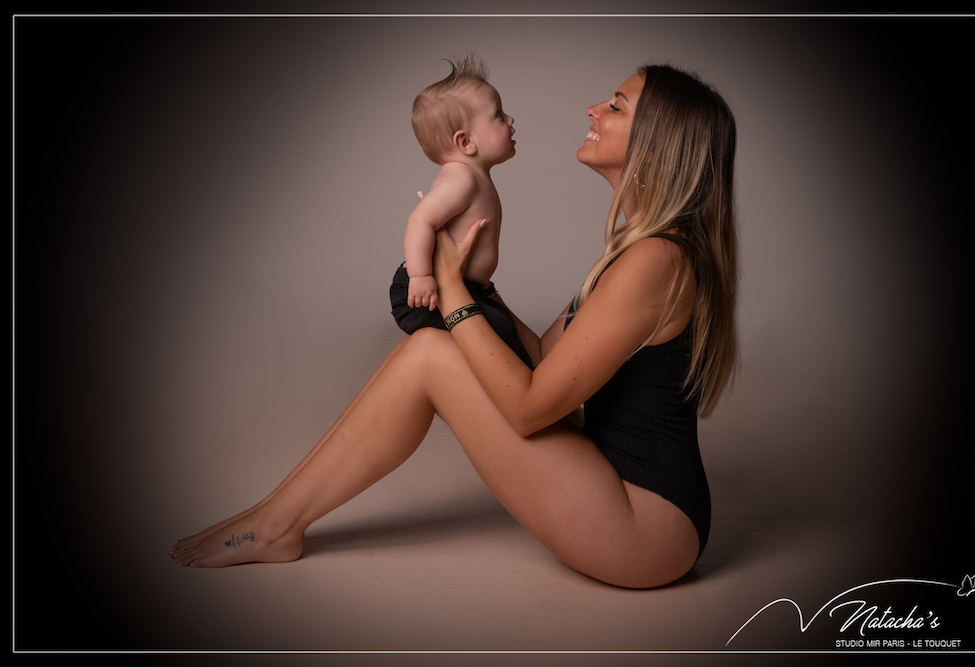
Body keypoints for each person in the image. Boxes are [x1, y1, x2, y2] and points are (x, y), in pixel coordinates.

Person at [170, 63, 738, 589]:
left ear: (658, 144)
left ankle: (273, 525)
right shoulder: (640, 251)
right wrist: (473, 288)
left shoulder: (656, 261)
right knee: (433, 347)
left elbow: (531, 406)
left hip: (648, 529)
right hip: (622, 487)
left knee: (430, 353)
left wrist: (452, 293)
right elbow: (542, 356)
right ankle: (272, 519)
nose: (593, 109)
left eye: (615, 106)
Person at [390, 56, 532, 368]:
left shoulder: (472, 175)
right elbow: (420, 219)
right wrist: (421, 276)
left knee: (508, 339)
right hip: (431, 293)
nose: (510, 120)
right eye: (498, 115)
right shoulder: (462, 178)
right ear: (465, 141)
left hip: (464, 289)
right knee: (501, 341)